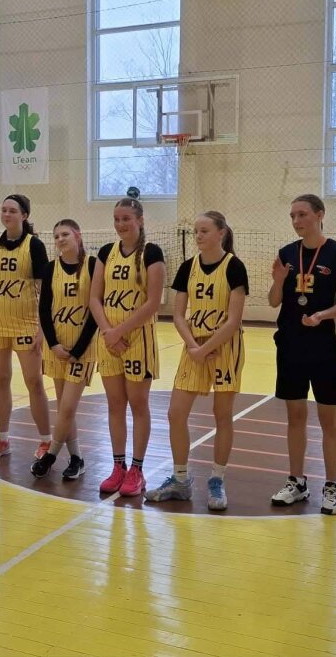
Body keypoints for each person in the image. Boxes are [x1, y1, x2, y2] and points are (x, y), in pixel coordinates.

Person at [144, 212, 247, 511]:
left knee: (222, 415)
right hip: (193, 346)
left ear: (221, 233)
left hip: (225, 347)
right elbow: (178, 315)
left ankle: (216, 479)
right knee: (176, 413)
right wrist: (194, 347)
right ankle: (180, 480)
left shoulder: (234, 266)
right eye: (196, 231)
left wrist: (206, 348)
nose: (198, 236)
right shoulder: (188, 266)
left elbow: (233, 320)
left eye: (204, 231)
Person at [267, 195, 336, 514]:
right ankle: (297, 482)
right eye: (292, 215)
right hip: (291, 345)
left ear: (320, 215)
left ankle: (331, 486)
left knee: (328, 419)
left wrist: (321, 315)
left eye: (302, 214)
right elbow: (273, 301)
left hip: (325, 347)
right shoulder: (287, 253)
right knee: (295, 417)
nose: (296, 221)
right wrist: (278, 281)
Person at [89, 193, 165, 498]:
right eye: (117, 219)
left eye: (126, 219)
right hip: (109, 340)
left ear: (140, 220)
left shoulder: (151, 253)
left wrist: (119, 331)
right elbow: (94, 298)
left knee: (138, 404)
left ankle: (137, 469)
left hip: (137, 339)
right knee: (115, 405)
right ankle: (118, 466)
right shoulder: (105, 252)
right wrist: (108, 332)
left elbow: (153, 302)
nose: (121, 224)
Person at [0, 195, 52, 464]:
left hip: (26, 322)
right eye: (3, 210)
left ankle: (46, 440)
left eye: (12, 210)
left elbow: (44, 291)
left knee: (34, 382)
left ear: (24, 215)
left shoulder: (35, 246)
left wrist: (43, 328)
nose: (6, 214)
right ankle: (2, 439)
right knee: (1, 380)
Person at [31, 219, 99, 481]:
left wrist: (77, 349)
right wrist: (53, 344)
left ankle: (50, 456)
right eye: (56, 236)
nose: (60, 239)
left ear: (77, 235)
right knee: (64, 409)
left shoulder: (93, 265)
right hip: (56, 347)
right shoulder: (50, 268)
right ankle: (77, 459)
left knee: (68, 407)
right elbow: (44, 310)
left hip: (83, 349)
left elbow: (95, 311)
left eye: (65, 234)